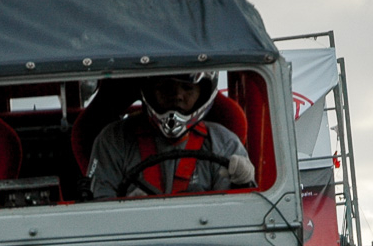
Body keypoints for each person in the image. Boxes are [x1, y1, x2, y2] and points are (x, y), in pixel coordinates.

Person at [88, 73, 256, 199]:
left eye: (188, 88)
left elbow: (234, 214)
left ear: (202, 93)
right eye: (166, 87)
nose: (177, 95)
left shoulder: (224, 143)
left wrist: (241, 183)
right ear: (150, 90)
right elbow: (99, 207)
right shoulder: (114, 140)